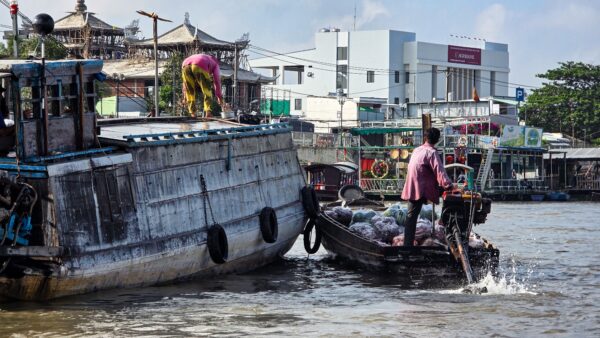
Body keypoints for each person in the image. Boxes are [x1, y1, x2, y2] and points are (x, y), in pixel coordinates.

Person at [401, 127, 453, 247]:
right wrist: (449, 186)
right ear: (437, 139)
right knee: (451, 198)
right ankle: (408, 246)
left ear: (425, 138)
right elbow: (440, 172)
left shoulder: (417, 150)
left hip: (413, 186)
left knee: (411, 216)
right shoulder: (432, 152)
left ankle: (407, 245)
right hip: (422, 187)